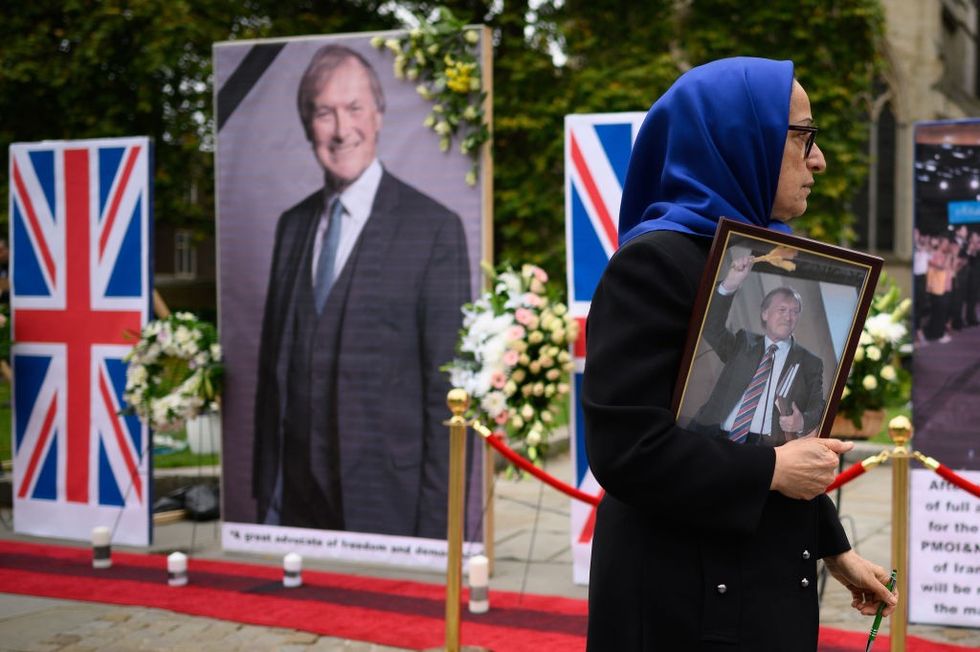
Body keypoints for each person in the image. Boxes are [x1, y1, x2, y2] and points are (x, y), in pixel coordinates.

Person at [582, 57, 897, 650]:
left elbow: (758, 438)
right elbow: (625, 449)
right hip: (682, 601)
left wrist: (834, 546)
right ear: (739, 139)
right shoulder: (652, 265)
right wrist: (774, 471)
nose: (819, 160)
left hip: (760, 579)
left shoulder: (770, 255)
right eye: (805, 137)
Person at [252, 44, 471, 538]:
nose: (340, 128)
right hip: (292, 501)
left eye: (353, 108)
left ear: (378, 115)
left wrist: (442, 525)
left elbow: (448, 392)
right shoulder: (292, 225)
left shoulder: (434, 227)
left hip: (388, 500)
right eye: (323, 112)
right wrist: (265, 489)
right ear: (308, 124)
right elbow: (273, 372)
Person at [689, 265, 825, 447]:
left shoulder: (810, 362)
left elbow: (818, 406)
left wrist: (802, 422)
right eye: (782, 309)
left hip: (766, 447)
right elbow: (711, 327)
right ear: (765, 314)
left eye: (794, 311)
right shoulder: (743, 343)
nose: (788, 317)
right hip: (715, 436)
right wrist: (730, 285)